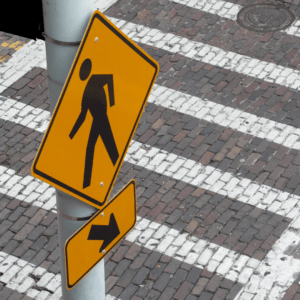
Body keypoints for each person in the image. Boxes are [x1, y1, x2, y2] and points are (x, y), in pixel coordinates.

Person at [69, 58, 119, 189]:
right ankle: (86, 183)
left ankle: (86, 182)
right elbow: (82, 116)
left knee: (106, 148)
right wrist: (71, 135)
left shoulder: (94, 80)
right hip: (97, 120)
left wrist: (112, 102)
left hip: (102, 118)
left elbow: (109, 78)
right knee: (99, 148)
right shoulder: (85, 93)